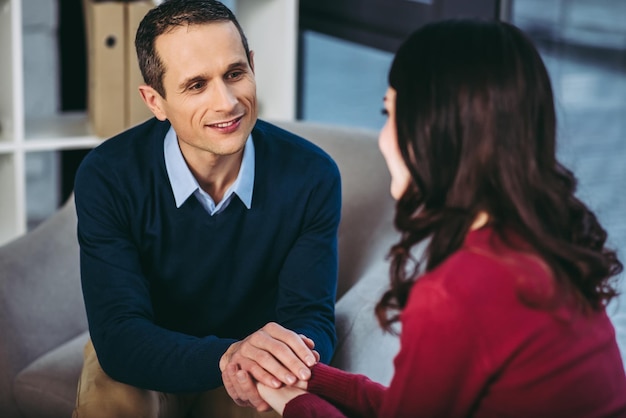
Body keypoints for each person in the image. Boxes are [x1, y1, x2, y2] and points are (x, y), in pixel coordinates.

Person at [255, 18, 626, 417]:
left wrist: (293, 404)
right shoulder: (545, 245)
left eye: (389, 113)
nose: (381, 138)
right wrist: (313, 378)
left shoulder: (458, 292)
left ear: (436, 130)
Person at [72, 0, 341, 416]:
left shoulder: (312, 176)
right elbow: (120, 335)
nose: (227, 102)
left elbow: (311, 319)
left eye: (235, 73)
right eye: (196, 85)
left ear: (252, 65)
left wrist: (282, 358)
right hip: (147, 353)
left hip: (252, 364)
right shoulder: (108, 176)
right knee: (112, 406)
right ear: (155, 101)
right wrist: (227, 354)